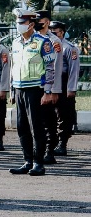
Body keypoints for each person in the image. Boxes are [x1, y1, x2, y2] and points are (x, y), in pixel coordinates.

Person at [9, 9, 56, 176]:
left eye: (22, 22)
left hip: (36, 89)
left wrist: (48, 91)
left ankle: (38, 162)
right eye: (18, 22)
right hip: (19, 88)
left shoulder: (44, 42)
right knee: (22, 127)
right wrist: (12, 90)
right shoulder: (15, 42)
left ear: (30, 24)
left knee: (36, 127)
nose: (19, 25)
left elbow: (50, 68)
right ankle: (27, 161)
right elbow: (13, 67)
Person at [34, 10, 63, 164]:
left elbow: (56, 68)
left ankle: (49, 151)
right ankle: (38, 150)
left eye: (38, 20)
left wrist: (53, 90)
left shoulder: (54, 41)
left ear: (46, 22)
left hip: (48, 87)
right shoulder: (33, 39)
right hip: (34, 86)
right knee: (37, 121)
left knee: (49, 121)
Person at [49, 21, 79, 156]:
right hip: (50, 83)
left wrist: (71, 88)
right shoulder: (47, 46)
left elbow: (74, 70)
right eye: (51, 32)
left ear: (62, 32)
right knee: (50, 114)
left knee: (64, 115)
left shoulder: (69, 48)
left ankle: (62, 143)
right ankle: (51, 142)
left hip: (63, 82)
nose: (52, 34)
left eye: (55, 32)